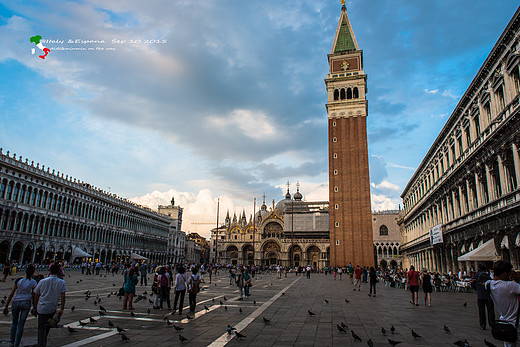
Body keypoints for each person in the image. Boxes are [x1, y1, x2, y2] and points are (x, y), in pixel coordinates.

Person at [486, 260, 520, 347]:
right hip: (515, 322)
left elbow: (486, 282)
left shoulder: (490, 285)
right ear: (504, 274)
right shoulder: (510, 286)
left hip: (504, 322)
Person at [3, 264, 37, 347]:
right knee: (21, 324)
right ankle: (17, 344)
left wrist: (6, 306)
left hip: (16, 302)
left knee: (14, 323)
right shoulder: (33, 282)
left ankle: (12, 342)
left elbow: (11, 294)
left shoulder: (18, 280)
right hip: (26, 303)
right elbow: (34, 295)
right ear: (33, 273)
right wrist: (35, 307)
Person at [33, 264, 66, 347]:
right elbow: (63, 296)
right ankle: (43, 342)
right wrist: (62, 309)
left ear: (50, 271)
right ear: (59, 271)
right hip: (52, 308)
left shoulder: (43, 281)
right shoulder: (61, 282)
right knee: (47, 326)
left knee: (41, 327)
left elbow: (36, 294)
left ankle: (41, 343)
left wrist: (35, 306)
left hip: (42, 307)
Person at [471, 264, 495, 330]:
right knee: (490, 310)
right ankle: (492, 323)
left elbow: (472, 283)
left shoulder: (476, 275)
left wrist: (476, 288)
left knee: (481, 310)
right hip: (488, 295)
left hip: (480, 295)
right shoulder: (487, 276)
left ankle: (482, 324)